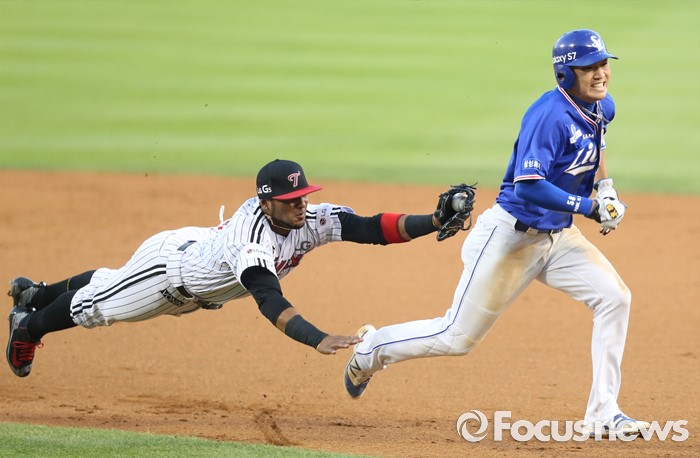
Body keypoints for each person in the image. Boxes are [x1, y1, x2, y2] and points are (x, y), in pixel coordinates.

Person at [343, 30, 650, 439]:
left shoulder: (599, 105)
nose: (600, 74)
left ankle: (602, 413)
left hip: (558, 238)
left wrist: (606, 189)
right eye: (588, 67)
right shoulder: (549, 117)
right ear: (565, 73)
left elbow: (597, 141)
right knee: (456, 337)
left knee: (615, 298)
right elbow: (528, 186)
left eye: (603, 63)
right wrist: (590, 207)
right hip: (510, 239)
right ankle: (371, 350)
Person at [6, 159, 470, 378]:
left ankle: (37, 293)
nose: (301, 205)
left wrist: (431, 221)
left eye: (302, 196)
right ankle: (28, 326)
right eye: (290, 200)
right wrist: (317, 337)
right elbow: (268, 299)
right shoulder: (252, 240)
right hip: (168, 277)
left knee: (109, 281)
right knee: (97, 307)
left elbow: (368, 227)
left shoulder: (306, 218)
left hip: (196, 250)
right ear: (267, 203)